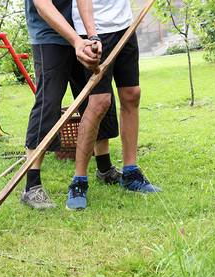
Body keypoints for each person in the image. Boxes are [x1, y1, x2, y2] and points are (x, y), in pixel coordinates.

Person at [66, 0, 162, 210]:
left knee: (131, 94)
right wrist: (92, 35)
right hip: (94, 31)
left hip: (125, 25)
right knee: (99, 102)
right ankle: (78, 182)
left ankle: (130, 173)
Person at [21, 0, 102, 209]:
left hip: (80, 36)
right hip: (48, 37)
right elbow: (42, 5)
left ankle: (104, 166)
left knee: (95, 101)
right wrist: (77, 41)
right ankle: (32, 186)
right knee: (48, 102)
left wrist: (91, 36)